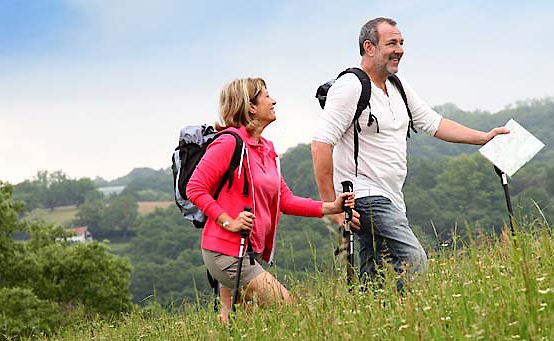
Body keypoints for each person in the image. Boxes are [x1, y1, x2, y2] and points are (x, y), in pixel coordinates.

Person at [311, 17, 509, 284]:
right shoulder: (350, 87)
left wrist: (483, 137)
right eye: (392, 43)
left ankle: (377, 319)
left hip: (392, 196)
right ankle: (413, 317)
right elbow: (321, 144)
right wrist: (331, 207)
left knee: (375, 278)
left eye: (401, 43)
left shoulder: (397, 85)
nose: (400, 50)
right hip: (365, 195)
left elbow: (434, 123)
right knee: (413, 260)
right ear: (369, 47)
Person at [187, 77, 354, 322]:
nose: (273, 100)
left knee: (237, 321)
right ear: (251, 106)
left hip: (248, 250)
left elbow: (284, 200)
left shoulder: (266, 148)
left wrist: (331, 207)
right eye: (266, 96)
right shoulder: (228, 143)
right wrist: (228, 221)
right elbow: (195, 188)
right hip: (226, 251)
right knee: (289, 308)